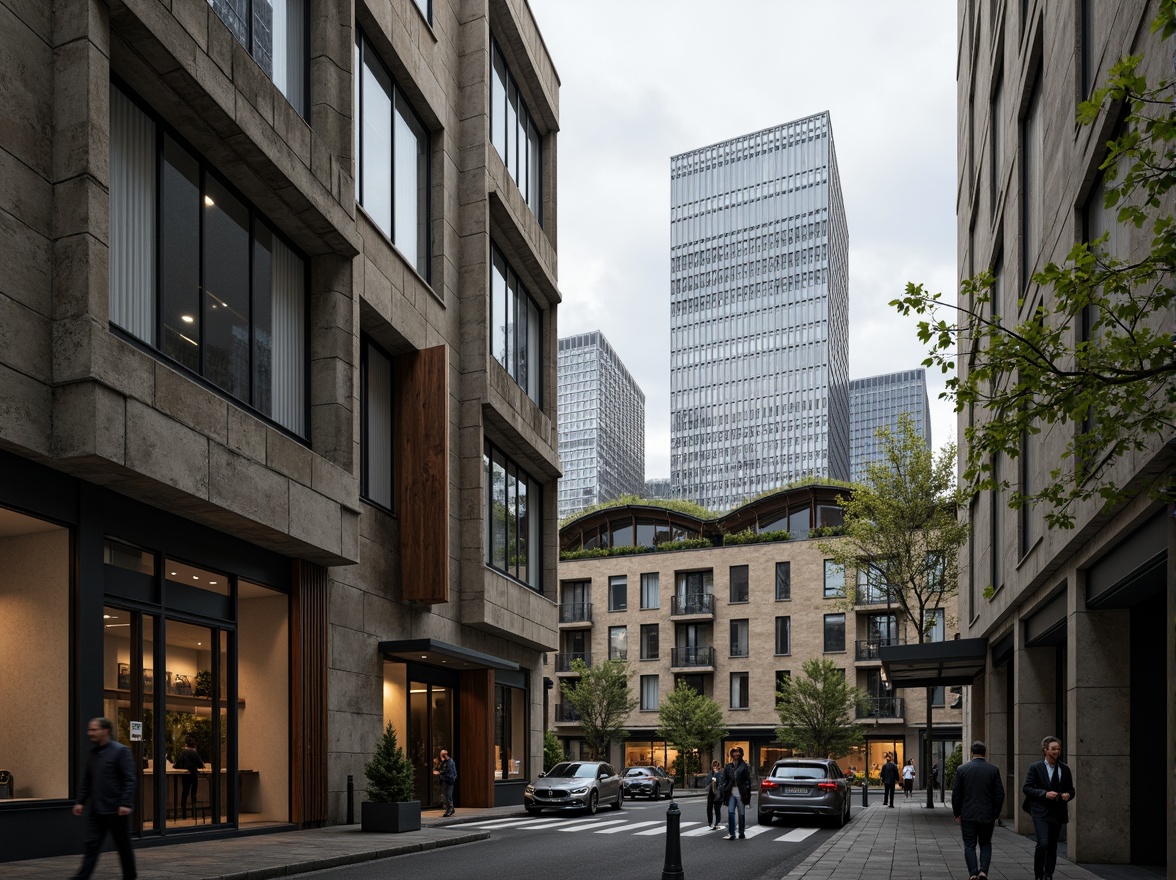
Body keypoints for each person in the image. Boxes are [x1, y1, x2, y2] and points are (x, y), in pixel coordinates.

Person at [72, 717, 136, 880]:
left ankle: (130, 877)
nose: (90, 733)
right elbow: (87, 780)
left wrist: (125, 803)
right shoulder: (93, 753)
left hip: (117, 811)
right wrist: (80, 801)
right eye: (90, 729)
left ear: (105, 731)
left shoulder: (121, 751)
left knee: (123, 847)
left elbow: (130, 779)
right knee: (92, 846)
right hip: (97, 810)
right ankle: (81, 877)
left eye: (94, 730)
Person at [1022, 735, 1075, 880]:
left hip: (1057, 812)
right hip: (1040, 811)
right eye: (1053, 749)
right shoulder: (1035, 767)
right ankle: (1038, 875)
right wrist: (1044, 794)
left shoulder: (1064, 769)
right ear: (1045, 750)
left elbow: (1071, 790)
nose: (1056, 752)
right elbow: (1026, 788)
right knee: (1043, 843)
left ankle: (1048, 874)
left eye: (1058, 749)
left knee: (1052, 845)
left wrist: (1067, 796)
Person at [952, 741, 1005, 880]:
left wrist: (957, 813)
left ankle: (973, 873)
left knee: (969, 845)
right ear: (985, 753)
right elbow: (1000, 794)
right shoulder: (993, 770)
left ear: (971, 752)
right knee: (986, 843)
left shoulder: (962, 769)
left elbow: (956, 794)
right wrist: (995, 813)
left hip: (968, 814)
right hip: (987, 814)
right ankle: (983, 871)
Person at [719, 747, 752, 840]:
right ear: (732, 754)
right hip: (731, 792)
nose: (736, 754)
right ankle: (732, 833)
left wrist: (747, 792)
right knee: (731, 812)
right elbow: (723, 779)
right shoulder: (728, 766)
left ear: (741, 754)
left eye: (737, 752)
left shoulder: (744, 766)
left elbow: (747, 781)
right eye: (734, 752)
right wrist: (724, 788)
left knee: (741, 812)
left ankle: (741, 832)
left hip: (741, 793)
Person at [173, 735, 205, 820]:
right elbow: (200, 765)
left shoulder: (182, 752)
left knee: (185, 793)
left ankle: (184, 814)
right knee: (193, 793)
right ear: (194, 745)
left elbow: (176, 765)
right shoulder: (193, 752)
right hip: (193, 775)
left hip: (184, 775)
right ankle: (193, 813)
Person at [433, 748, 457, 817]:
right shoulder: (444, 762)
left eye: (441, 755)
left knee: (447, 796)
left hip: (448, 781)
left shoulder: (449, 762)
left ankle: (449, 809)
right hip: (445, 780)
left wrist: (439, 773)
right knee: (445, 795)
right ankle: (450, 809)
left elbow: (449, 772)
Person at [706, 759, 724, 830]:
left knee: (716, 808)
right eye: (714, 766)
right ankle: (712, 822)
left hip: (717, 792)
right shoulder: (712, 773)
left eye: (716, 766)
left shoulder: (719, 773)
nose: (715, 767)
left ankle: (716, 822)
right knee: (711, 807)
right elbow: (710, 782)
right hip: (713, 792)